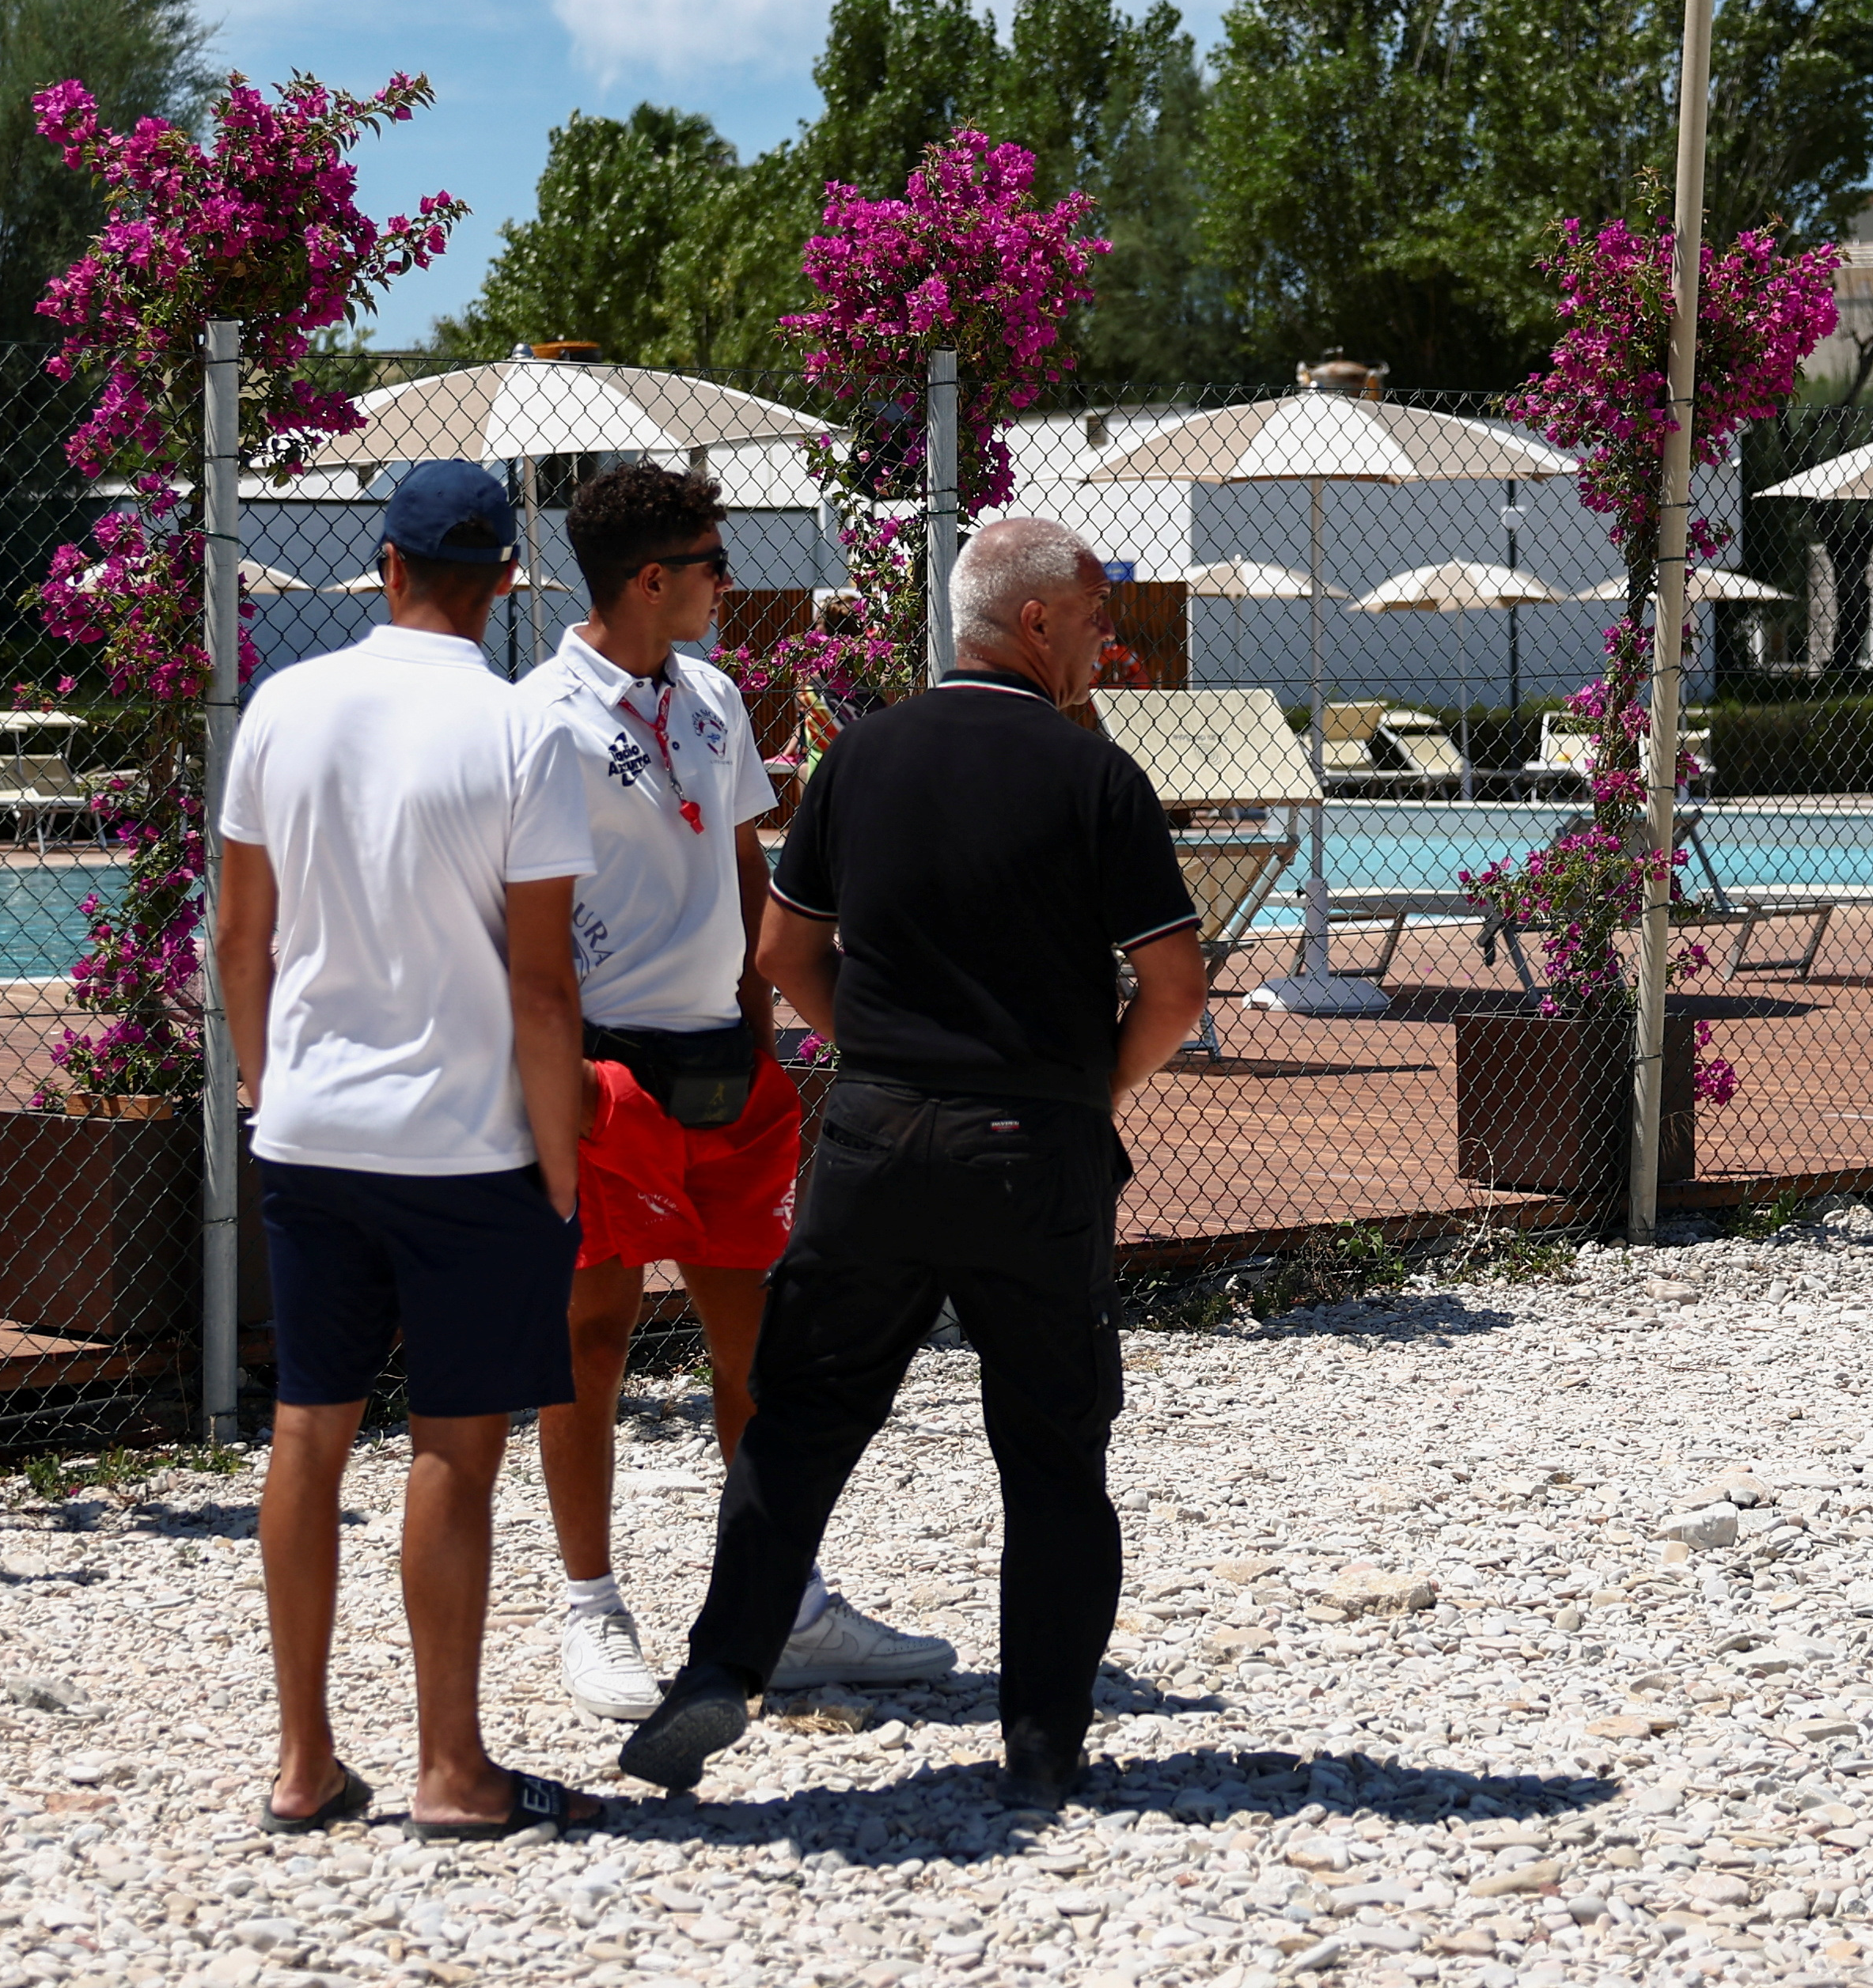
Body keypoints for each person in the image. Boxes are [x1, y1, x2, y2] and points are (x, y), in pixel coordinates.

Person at [620, 517, 1207, 1813]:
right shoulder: (1093, 774)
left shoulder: (861, 754)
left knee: (800, 1417)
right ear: (1035, 620)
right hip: (1030, 1149)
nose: (1106, 636)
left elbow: (783, 952)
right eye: (1095, 610)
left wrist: (879, 1051)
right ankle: (1042, 1743)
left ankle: (720, 1667)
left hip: (877, 1136)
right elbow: (1175, 985)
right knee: (1052, 1448)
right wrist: (1084, 1087)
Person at [210, 458, 610, 1842]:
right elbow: (543, 986)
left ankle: (303, 1761)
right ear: (505, 580)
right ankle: (452, 1768)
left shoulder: (283, 704)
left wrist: (270, 1090)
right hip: (467, 1142)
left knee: (308, 1427)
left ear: (384, 565)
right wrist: (559, 1158)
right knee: (454, 1443)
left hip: (311, 1128)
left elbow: (240, 939)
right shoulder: (523, 729)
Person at [522, 463, 954, 1724]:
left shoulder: (712, 693)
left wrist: (768, 1031)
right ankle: (591, 1605)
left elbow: (747, 864)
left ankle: (785, 1599)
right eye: (713, 560)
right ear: (651, 577)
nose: (729, 578)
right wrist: (562, 1082)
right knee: (590, 1337)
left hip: (725, 1060)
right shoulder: (539, 716)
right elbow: (520, 912)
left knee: (759, 1347)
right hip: (606, 1067)